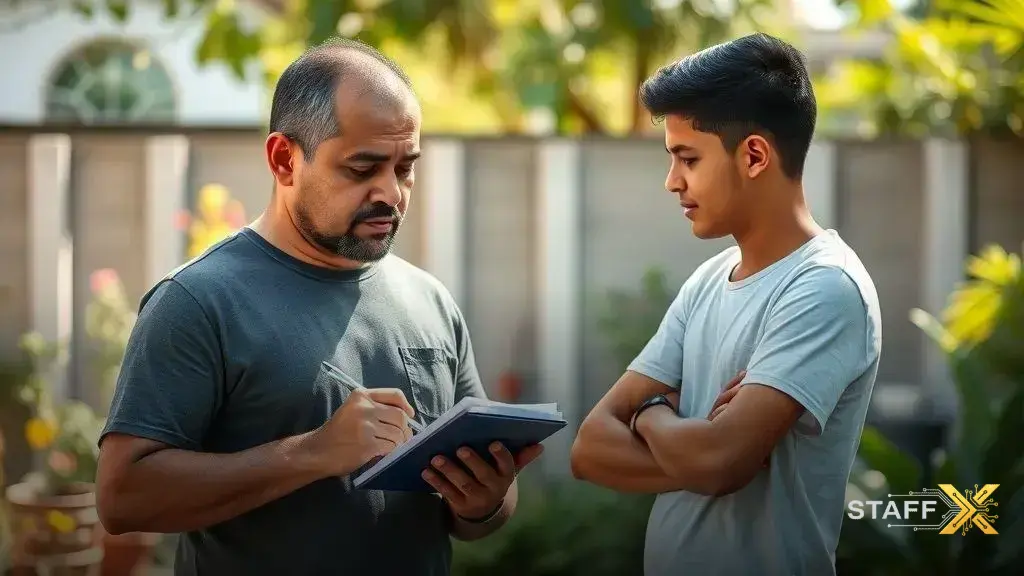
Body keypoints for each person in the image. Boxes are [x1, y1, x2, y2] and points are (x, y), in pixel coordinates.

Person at [95, 39, 542, 576]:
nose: (391, 193)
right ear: (284, 159)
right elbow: (122, 498)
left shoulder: (430, 300)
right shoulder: (197, 301)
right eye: (362, 168)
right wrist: (312, 453)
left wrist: (484, 501)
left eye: (405, 168)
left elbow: (483, 514)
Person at [570, 32, 882, 576]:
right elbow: (590, 448)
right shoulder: (707, 281)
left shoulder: (824, 287)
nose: (672, 182)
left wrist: (649, 415)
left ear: (754, 155)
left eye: (687, 158)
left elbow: (719, 460)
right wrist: (691, 446)